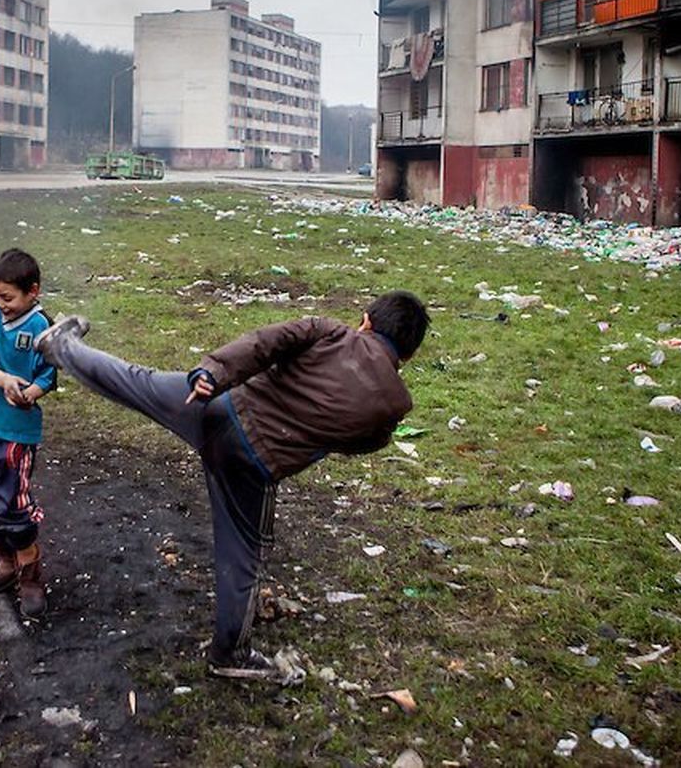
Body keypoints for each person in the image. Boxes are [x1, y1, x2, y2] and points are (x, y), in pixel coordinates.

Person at [35, 290, 429, 681]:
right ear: (407, 355)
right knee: (242, 557)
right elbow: (365, 443)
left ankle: (63, 347)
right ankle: (230, 652)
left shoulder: (329, 332)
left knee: (135, 381)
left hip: (216, 406)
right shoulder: (395, 404)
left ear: (366, 321)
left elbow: (264, 343)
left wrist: (211, 373)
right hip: (254, 465)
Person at [0, 248, 58, 617]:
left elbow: (48, 376)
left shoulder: (42, 327)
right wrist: (4, 380)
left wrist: (30, 393)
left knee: (14, 509)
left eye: (8, 297)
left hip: (16, 436)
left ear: (32, 291)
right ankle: (5, 564)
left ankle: (31, 576)